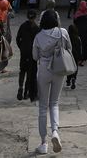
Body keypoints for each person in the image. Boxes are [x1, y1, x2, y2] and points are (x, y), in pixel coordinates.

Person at [32, 11, 72, 154]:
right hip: (59, 69)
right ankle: (55, 131)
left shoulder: (38, 36)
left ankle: (43, 143)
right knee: (54, 103)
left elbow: (34, 56)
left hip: (44, 70)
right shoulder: (62, 32)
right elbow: (69, 49)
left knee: (43, 106)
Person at [15, 9, 39, 102]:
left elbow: (18, 38)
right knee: (29, 73)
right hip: (32, 53)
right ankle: (26, 92)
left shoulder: (23, 26)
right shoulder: (37, 28)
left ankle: (20, 87)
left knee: (22, 71)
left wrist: (21, 47)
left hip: (24, 52)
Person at [65, 22, 82, 90]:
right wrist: (80, 57)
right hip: (76, 55)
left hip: (69, 54)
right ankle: (74, 78)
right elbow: (80, 48)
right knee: (75, 67)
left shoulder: (67, 38)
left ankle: (68, 80)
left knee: (68, 68)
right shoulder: (78, 38)